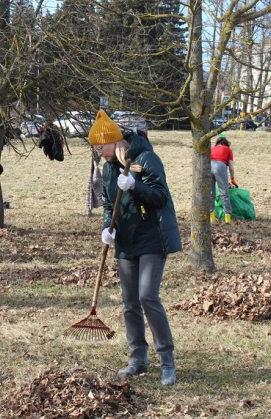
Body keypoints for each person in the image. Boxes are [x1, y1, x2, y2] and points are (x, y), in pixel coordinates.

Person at [88, 110, 181, 387]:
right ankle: (137, 359)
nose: (98, 152)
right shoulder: (108, 168)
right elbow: (108, 203)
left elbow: (161, 196)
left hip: (153, 238)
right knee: (129, 303)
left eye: (100, 147)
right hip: (126, 240)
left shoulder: (146, 158)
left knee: (147, 297)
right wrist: (108, 227)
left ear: (114, 141)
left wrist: (135, 186)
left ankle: (168, 362)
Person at [210, 135, 237, 224]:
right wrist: (232, 178)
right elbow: (231, 167)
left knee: (210, 193)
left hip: (209, 166)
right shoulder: (228, 150)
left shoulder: (212, 149)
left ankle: (211, 218)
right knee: (224, 193)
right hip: (220, 166)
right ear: (226, 144)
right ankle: (227, 218)